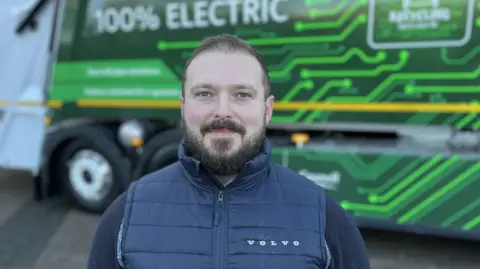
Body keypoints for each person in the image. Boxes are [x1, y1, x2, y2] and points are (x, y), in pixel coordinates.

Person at [87, 34, 371, 269]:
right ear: (183, 107)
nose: (222, 111)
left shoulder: (325, 219)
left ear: (267, 109)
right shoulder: (126, 215)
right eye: (205, 94)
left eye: (242, 95)